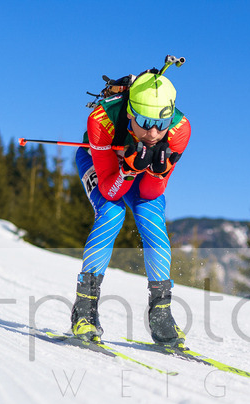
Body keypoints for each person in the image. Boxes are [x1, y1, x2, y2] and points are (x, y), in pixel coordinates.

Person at [70, 70, 191, 345]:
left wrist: (159, 172)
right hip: (103, 166)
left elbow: (149, 194)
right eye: (145, 122)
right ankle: (84, 310)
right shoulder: (101, 121)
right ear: (130, 113)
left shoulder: (180, 129)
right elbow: (108, 189)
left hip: (139, 176)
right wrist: (127, 169)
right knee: (112, 214)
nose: (153, 133)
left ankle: (161, 313)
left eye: (161, 124)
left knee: (152, 221)